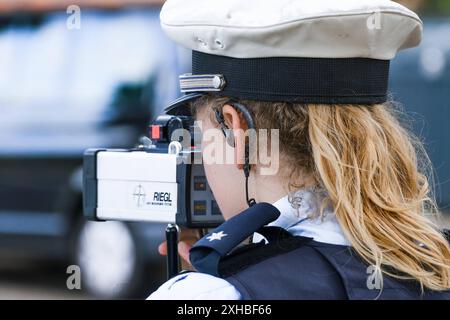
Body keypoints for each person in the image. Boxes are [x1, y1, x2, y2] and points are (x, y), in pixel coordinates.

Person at [148, 0, 450, 299]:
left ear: (237, 131)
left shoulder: (210, 295)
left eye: (202, 136)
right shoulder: (436, 265)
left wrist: (214, 281)